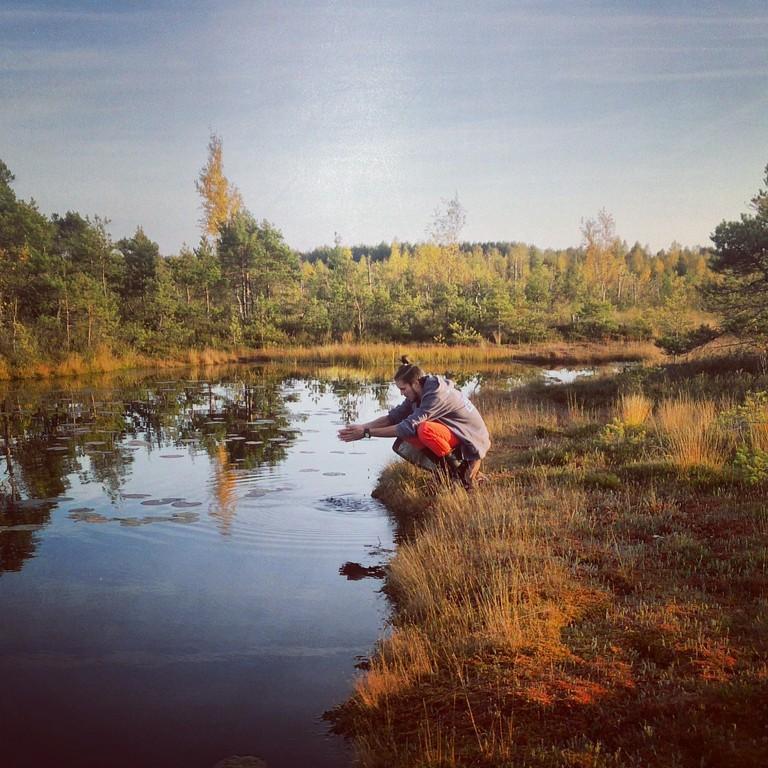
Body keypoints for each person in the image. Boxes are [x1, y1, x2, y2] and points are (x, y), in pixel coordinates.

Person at [338, 356, 490, 490]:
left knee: (423, 429)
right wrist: (364, 427)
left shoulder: (435, 395)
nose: (401, 393)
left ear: (415, 383)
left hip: (472, 439)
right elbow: (393, 417)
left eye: (403, 389)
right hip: (456, 433)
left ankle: (460, 473)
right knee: (410, 433)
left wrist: (366, 433)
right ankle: (448, 472)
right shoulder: (419, 393)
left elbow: (407, 427)